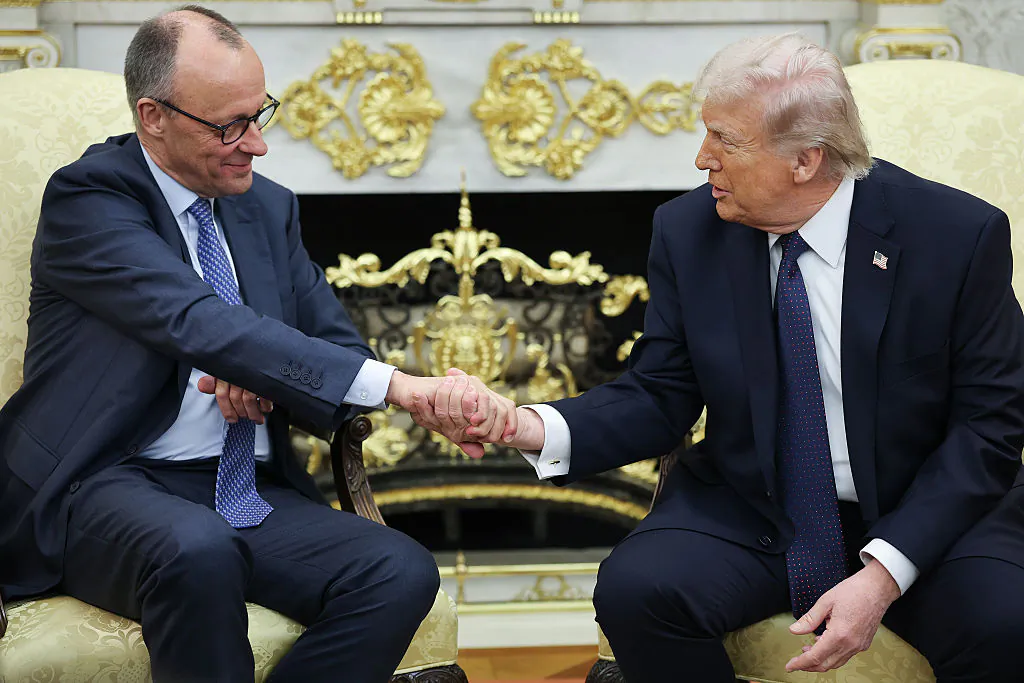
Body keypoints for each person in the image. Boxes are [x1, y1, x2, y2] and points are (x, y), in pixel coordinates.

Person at [417, 34, 1024, 682]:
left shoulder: (955, 236)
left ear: (806, 159)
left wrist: (883, 572)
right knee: (637, 589)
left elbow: (990, 426)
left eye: (724, 140)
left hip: (928, 511)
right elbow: (658, 394)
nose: (703, 158)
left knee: (1004, 622)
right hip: (756, 506)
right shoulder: (689, 232)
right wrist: (522, 424)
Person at [0, 5, 512, 682]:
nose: (257, 143)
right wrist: (403, 388)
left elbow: (330, 340)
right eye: (229, 126)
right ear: (154, 117)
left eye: (259, 114)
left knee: (398, 569)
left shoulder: (266, 206)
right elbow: (199, 322)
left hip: (237, 485)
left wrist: (264, 372)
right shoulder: (89, 201)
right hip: (101, 481)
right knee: (198, 550)